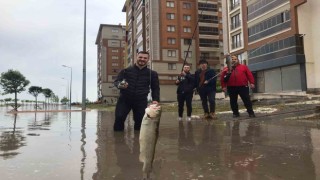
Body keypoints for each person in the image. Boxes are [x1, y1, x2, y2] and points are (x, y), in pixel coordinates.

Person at [113, 51, 160, 131]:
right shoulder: (125, 71)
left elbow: (155, 88)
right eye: (140, 57)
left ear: (148, 59)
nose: (142, 59)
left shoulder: (152, 74)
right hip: (124, 99)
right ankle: (118, 141)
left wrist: (155, 99)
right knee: (119, 118)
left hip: (141, 101)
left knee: (140, 122)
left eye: (145, 58)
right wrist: (120, 85)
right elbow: (116, 82)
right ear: (136, 58)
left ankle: (137, 142)